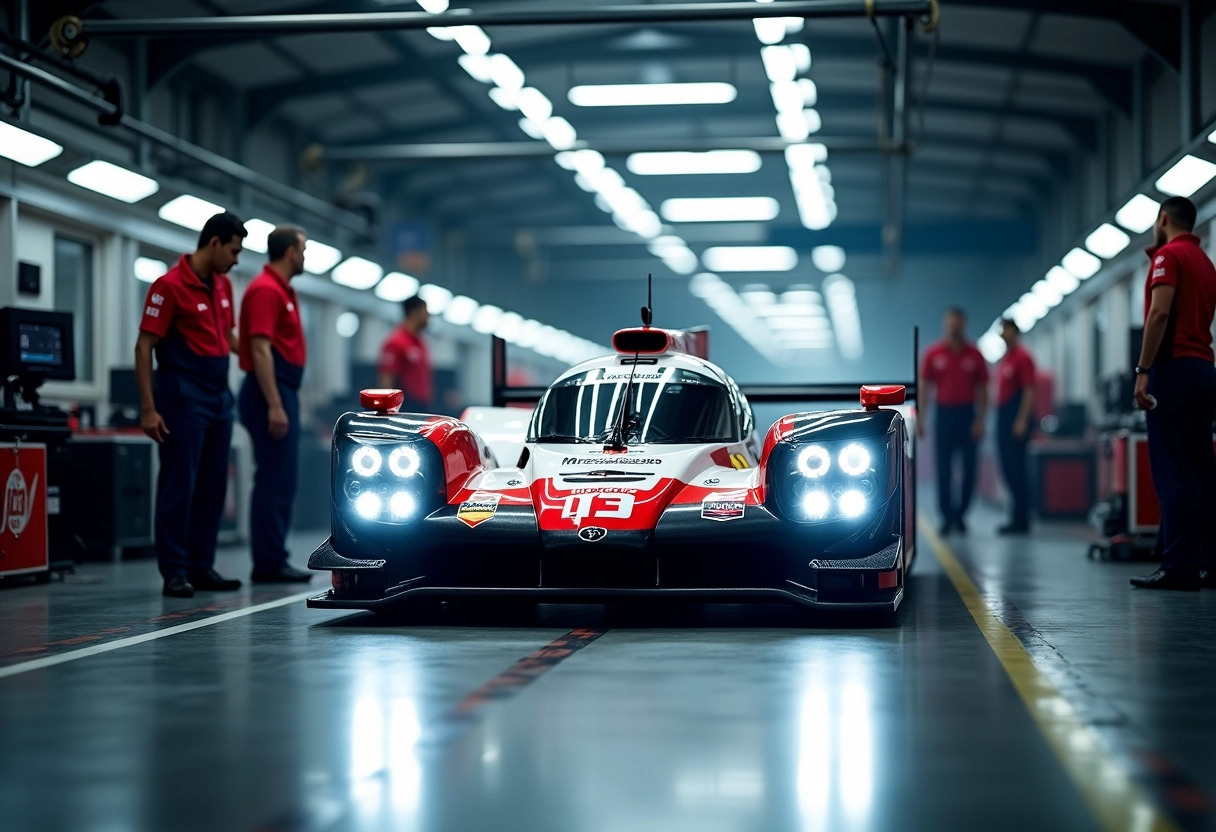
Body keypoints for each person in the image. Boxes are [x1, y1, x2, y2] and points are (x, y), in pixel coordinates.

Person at [136, 212, 245, 598]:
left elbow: (227, 336)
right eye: (233, 251)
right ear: (214, 243)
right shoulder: (168, 286)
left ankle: (202, 566)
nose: (236, 259)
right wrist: (148, 409)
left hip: (218, 396)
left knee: (214, 486)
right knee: (179, 484)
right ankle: (175, 571)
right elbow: (144, 346)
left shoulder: (223, 286)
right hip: (182, 394)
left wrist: (259, 359)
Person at [1131, 196, 1216, 591]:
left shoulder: (1168, 256)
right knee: (1201, 469)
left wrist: (1143, 369)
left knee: (1173, 470)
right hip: (1204, 368)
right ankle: (1207, 562)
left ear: (1163, 218)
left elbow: (1160, 313)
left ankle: (1179, 565)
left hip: (1173, 370)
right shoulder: (1206, 261)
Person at [237, 225, 313, 583]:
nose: (305, 256)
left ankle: (273, 557)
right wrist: (275, 404)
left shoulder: (281, 290)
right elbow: (260, 348)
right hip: (271, 393)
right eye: (303, 249)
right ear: (289, 253)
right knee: (273, 479)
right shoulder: (266, 290)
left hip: (282, 390)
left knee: (281, 479)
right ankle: (268, 562)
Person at [918, 307, 989, 535]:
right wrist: (921, 418)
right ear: (945, 325)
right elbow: (925, 388)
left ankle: (961, 514)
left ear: (964, 325)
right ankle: (946, 516)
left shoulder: (974, 354)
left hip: (967, 414)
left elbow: (984, 389)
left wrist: (980, 419)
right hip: (944, 414)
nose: (954, 328)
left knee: (969, 468)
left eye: (958, 323)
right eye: (950, 323)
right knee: (944, 469)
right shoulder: (934, 353)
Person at [995, 318, 1037, 535]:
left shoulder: (1022, 357)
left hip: (1015, 417)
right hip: (1003, 415)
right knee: (1007, 468)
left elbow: (1029, 390)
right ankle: (1016, 515)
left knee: (1016, 469)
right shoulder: (1007, 358)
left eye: (1005, 329)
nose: (1002, 333)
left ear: (1013, 331)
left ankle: (1022, 518)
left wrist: (1021, 419)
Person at [378, 295, 433, 411]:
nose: (428, 316)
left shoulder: (420, 342)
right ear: (414, 313)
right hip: (405, 407)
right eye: (425, 312)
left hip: (421, 406)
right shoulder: (396, 342)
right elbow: (387, 379)